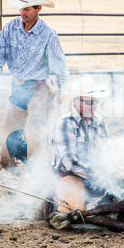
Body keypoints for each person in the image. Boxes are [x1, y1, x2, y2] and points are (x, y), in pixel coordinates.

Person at [0, 0, 69, 168]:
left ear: (38, 9)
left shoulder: (48, 34)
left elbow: (60, 67)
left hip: (40, 89)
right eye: (21, 8)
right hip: (18, 87)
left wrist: (63, 92)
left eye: (27, 9)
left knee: (35, 134)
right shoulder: (10, 28)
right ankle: (8, 168)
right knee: (7, 132)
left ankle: (35, 173)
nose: (22, 12)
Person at [49, 76, 109, 218]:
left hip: (94, 175)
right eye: (88, 102)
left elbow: (106, 151)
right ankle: (56, 201)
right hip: (69, 175)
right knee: (76, 212)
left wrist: (107, 171)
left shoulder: (99, 121)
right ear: (75, 101)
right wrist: (96, 176)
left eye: (96, 101)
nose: (93, 106)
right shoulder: (65, 123)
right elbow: (69, 162)